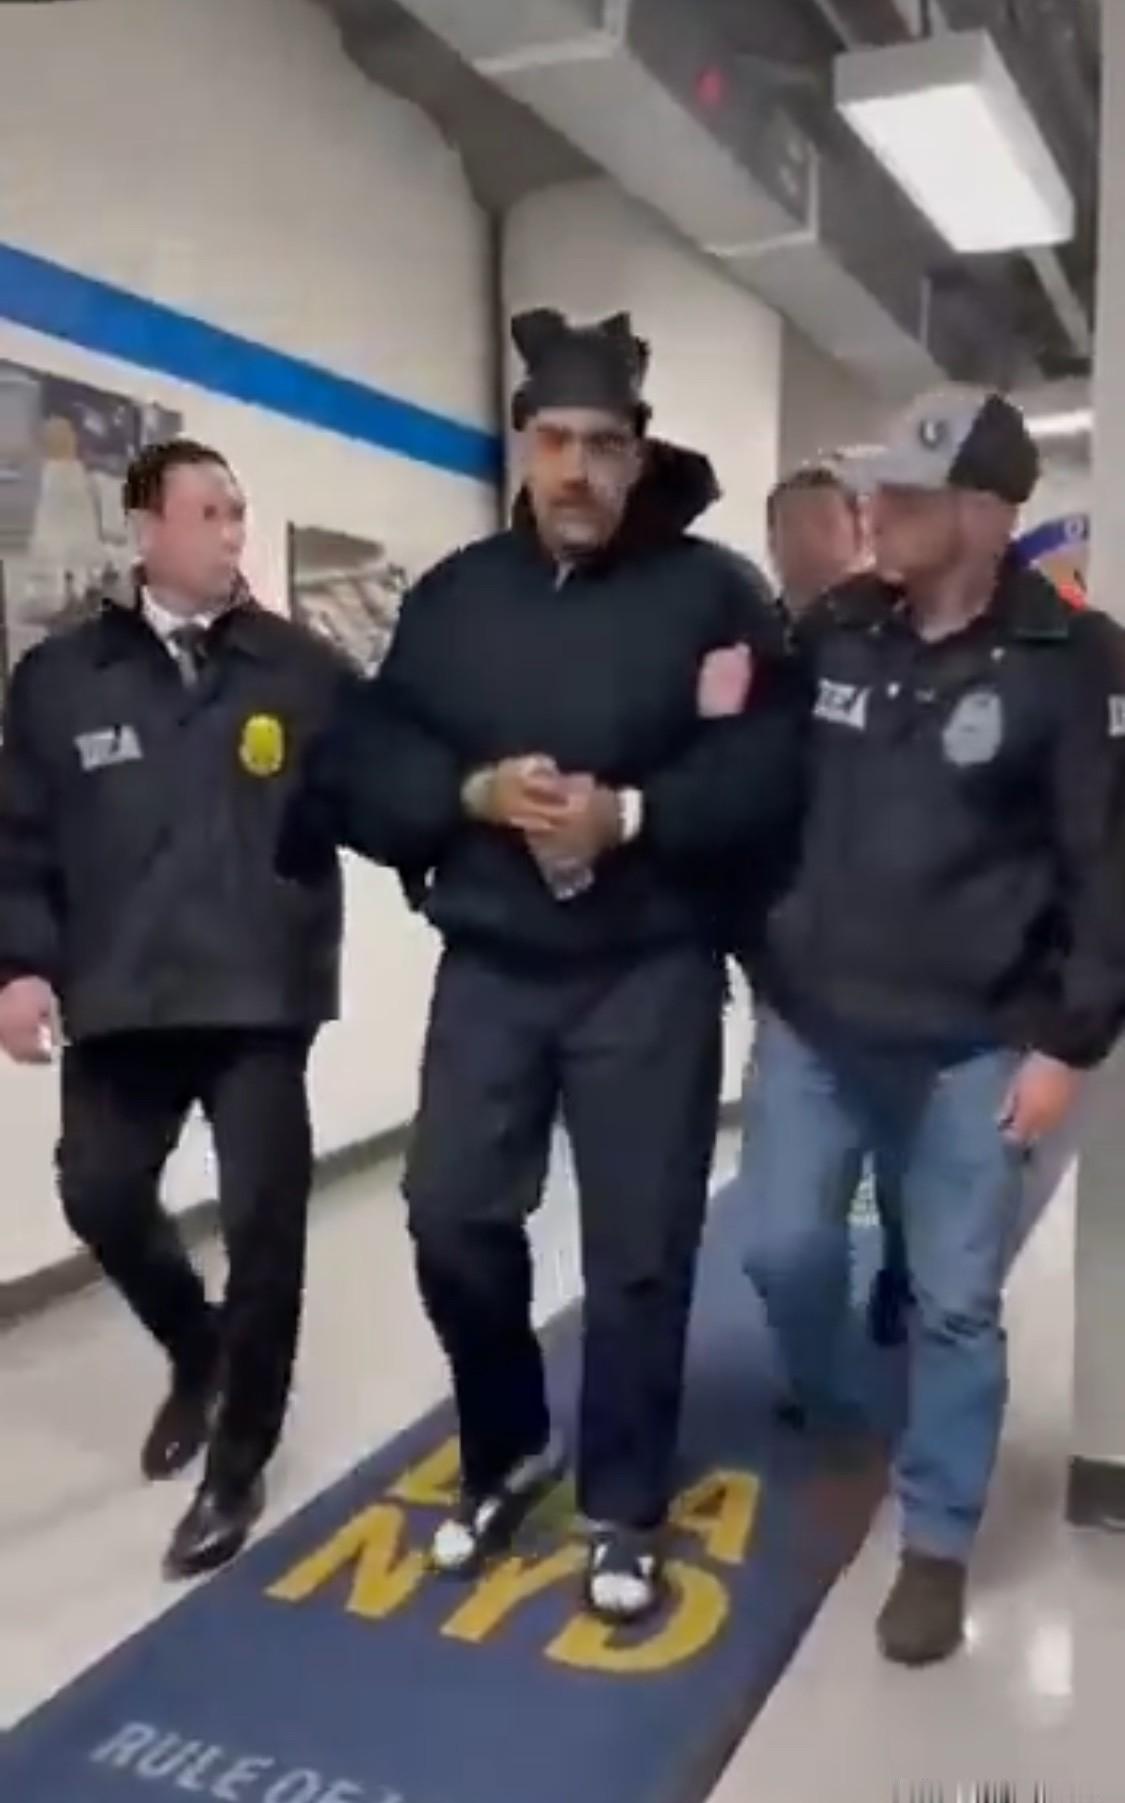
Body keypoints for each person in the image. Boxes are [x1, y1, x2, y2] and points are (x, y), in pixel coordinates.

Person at [281, 308, 803, 1624]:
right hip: (495, 967)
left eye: (604, 445)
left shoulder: (714, 595)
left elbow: (772, 768)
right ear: (524, 446)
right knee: (449, 1215)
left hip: (650, 970)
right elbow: (364, 756)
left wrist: (633, 814)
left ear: (638, 454)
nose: (578, 468)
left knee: (639, 1252)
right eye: (557, 441)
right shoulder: (458, 599)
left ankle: (625, 1502)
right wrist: (467, 791)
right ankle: (508, 1446)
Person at [735, 388, 1125, 1666]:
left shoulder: (1076, 661)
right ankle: (846, 1410)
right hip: (814, 1023)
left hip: (974, 1045)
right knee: (782, 1250)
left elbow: (1106, 867)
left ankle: (938, 1538)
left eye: (907, 493)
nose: (878, 511)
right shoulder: (839, 628)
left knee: (955, 1302)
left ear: (987, 513)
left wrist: (1069, 1042)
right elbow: (762, 786)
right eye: (878, 489)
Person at [0, 439, 348, 1579]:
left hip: (258, 994)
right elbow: (19, 837)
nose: (233, 532)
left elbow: (385, 781)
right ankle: (198, 1348)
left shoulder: (300, 667)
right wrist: (18, 966)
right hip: (124, 989)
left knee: (264, 1226)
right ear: (145, 528)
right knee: (98, 1192)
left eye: (240, 512)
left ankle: (237, 1460)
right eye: (210, 512)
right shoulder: (59, 679)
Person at [764, 461, 911, 1347]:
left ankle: (900, 1267)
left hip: (903, 956)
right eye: (789, 530)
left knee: (898, 1153)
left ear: (854, 532)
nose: (804, 546)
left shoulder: (895, 635)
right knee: (791, 1214)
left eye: (821, 526)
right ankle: (819, 1376)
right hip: (794, 956)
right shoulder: (760, 646)